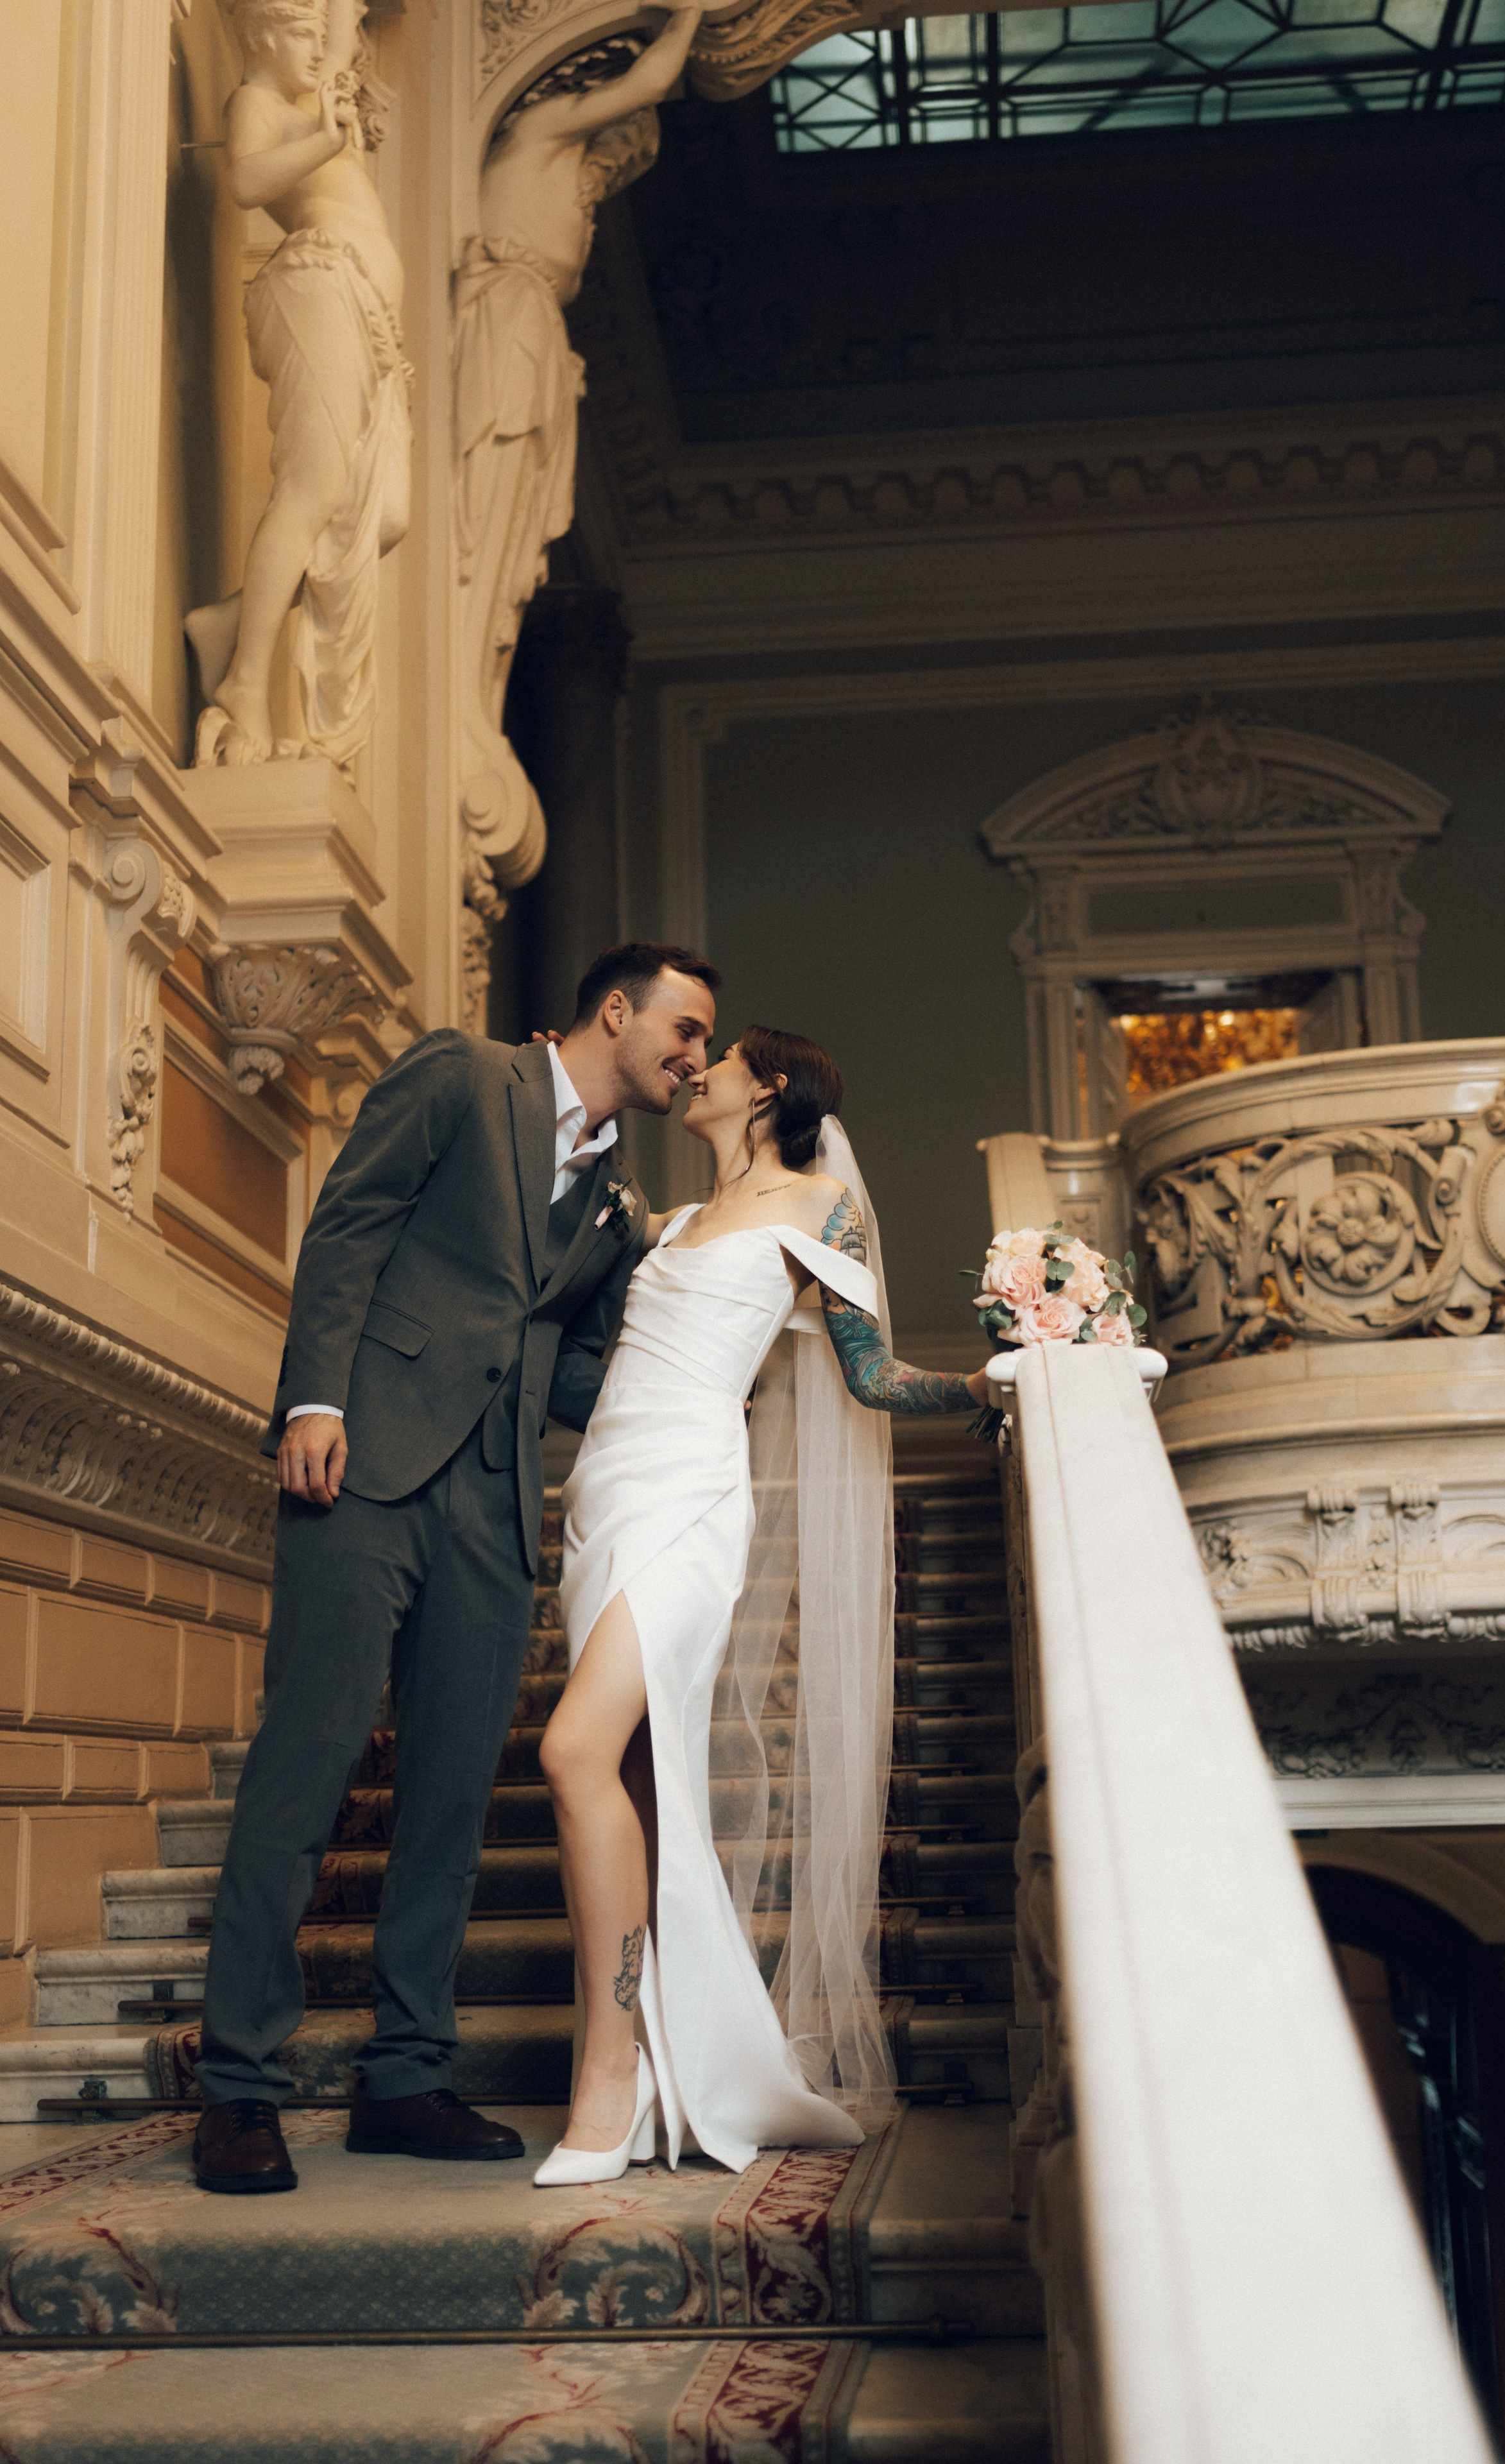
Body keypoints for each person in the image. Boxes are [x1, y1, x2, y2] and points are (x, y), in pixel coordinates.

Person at [191, 945, 718, 2194]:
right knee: (304, 1771)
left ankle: (407, 2074)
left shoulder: (614, 1210)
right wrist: (313, 1398)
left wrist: (708, 1355)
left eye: (702, 1044)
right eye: (684, 1030)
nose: (693, 1058)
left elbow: (585, 1377)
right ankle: (239, 2088)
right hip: (363, 1462)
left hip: (494, 1506)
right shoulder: (460, 1074)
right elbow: (351, 1223)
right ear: (614, 1008)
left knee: (448, 1806)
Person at [534, 1026, 989, 2186]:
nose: (695, 1072)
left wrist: (998, 1380)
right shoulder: (672, 1223)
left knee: (571, 1750)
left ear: (769, 1085)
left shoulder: (820, 1205)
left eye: (717, 1058)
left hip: (689, 1497)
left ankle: (607, 2072)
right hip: (604, 1493)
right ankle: (648, 2060)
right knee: (630, 1775)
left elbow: (874, 1374)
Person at [187, 0, 410, 767]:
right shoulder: (256, 102)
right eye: (301, 36)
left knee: (386, 514)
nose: (320, 52)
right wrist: (320, 139)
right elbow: (247, 182)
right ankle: (245, 684)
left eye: (323, 36)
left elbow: (344, 26)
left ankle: (228, 624)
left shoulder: (311, 91)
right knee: (314, 490)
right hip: (316, 284)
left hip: (371, 321)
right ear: (258, 34)